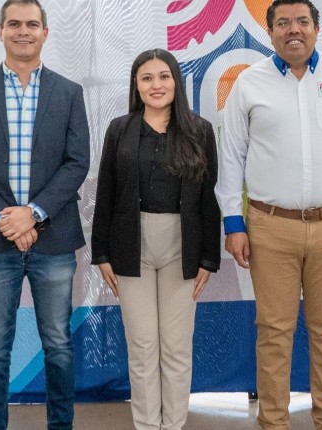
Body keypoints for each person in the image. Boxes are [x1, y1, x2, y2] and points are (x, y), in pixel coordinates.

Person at [215, 0, 322, 428]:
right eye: (284, 23)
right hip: (270, 228)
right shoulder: (247, 83)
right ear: (270, 32)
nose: (294, 29)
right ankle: (273, 423)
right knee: (273, 333)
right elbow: (231, 157)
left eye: (302, 21)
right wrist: (233, 222)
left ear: (316, 29)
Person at [0, 1, 89, 428]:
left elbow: (77, 162)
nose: (23, 31)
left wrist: (34, 214)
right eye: (14, 24)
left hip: (54, 239)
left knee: (59, 344)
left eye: (31, 24)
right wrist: (5, 217)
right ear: (0, 31)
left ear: (45, 32)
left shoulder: (69, 92)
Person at [91, 48, 221, 430]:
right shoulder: (120, 129)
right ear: (136, 85)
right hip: (131, 245)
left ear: (176, 82)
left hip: (183, 246)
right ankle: (148, 426)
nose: (156, 85)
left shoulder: (200, 130)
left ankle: (173, 425)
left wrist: (208, 258)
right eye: (146, 78)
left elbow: (209, 197)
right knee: (143, 346)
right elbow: (106, 191)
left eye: (164, 76)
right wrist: (101, 252)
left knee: (176, 347)